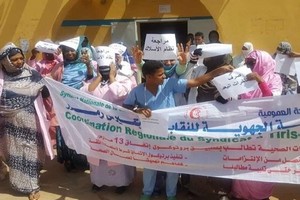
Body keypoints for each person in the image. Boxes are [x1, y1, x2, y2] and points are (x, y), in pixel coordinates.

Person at [123, 60, 233, 200]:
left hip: (171, 135)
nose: (164, 77)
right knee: (150, 166)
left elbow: (194, 82)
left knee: (172, 166)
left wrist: (217, 71)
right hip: (150, 136)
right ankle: (147, 193)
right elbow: (126, 106)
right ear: (149, 77)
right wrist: (137, 110)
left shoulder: (169, 84)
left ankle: (171, 194)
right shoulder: (137, 91)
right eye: (160, 74)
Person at [0, 43, 54, 200]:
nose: (18, 62)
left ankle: (32, 186)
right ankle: (19, 182)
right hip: (9, 125)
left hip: (30, 122)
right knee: (14, 153)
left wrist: (51, 110)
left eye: (20, 58)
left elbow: (46, 92)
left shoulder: (33, 74)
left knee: (30, 151)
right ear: (5, 61)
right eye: (14, 59)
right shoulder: (1, 77)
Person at [231, 50, 282, 200]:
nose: (249, 66)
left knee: (262, 162)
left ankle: (260, 195)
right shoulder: (243, 78)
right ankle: (241, 193)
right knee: (242, 160)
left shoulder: (275, 78)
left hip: (265, 130)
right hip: (245, 129)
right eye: (247, 63)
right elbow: (235, 99)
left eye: (252, 63)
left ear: (262, 62)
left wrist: (260, 81)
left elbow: (273, 100)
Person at [81, 58, 137, 194]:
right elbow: (84, 94)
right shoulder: (93, 81)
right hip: (97, 127)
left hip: (116, 127)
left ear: (114, 67)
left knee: (117, 154)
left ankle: (122, 183)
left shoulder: (124, 81)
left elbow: (120, 93)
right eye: (102, 68)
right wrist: (99, 77)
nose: (105, 70)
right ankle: (98, 181)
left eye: (108, 68)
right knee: (97, 154)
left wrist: (112, 77)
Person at [51, 36, 95, 171]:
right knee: (65, 132)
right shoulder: (60, 66)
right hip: (64, 104)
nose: (70, 54)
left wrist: (88, 64)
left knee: (81, 131)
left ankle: (83, 160)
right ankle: (68, 160)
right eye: (67, 51)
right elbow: (52, 81)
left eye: (72, 51)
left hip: (81, 105)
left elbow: (91, 78)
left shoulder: (84, 64)